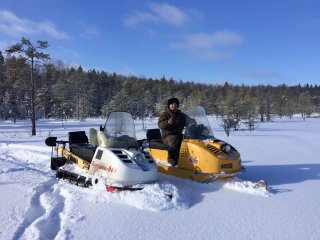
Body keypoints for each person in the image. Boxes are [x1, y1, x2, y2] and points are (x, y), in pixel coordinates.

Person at [158, 98, 187, 166]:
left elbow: (188, 119)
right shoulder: (165, 114)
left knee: (188, 139)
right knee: (174, 140)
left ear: (177, 105)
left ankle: (186, 158)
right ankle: (171, 158)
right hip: (167, 136)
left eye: (175, 104)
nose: (173, 105)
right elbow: (160, 124)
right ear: (169, 105)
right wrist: (167, 122)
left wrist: (192, 122)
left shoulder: (181, 115)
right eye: (172, 104)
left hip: (178, 134)